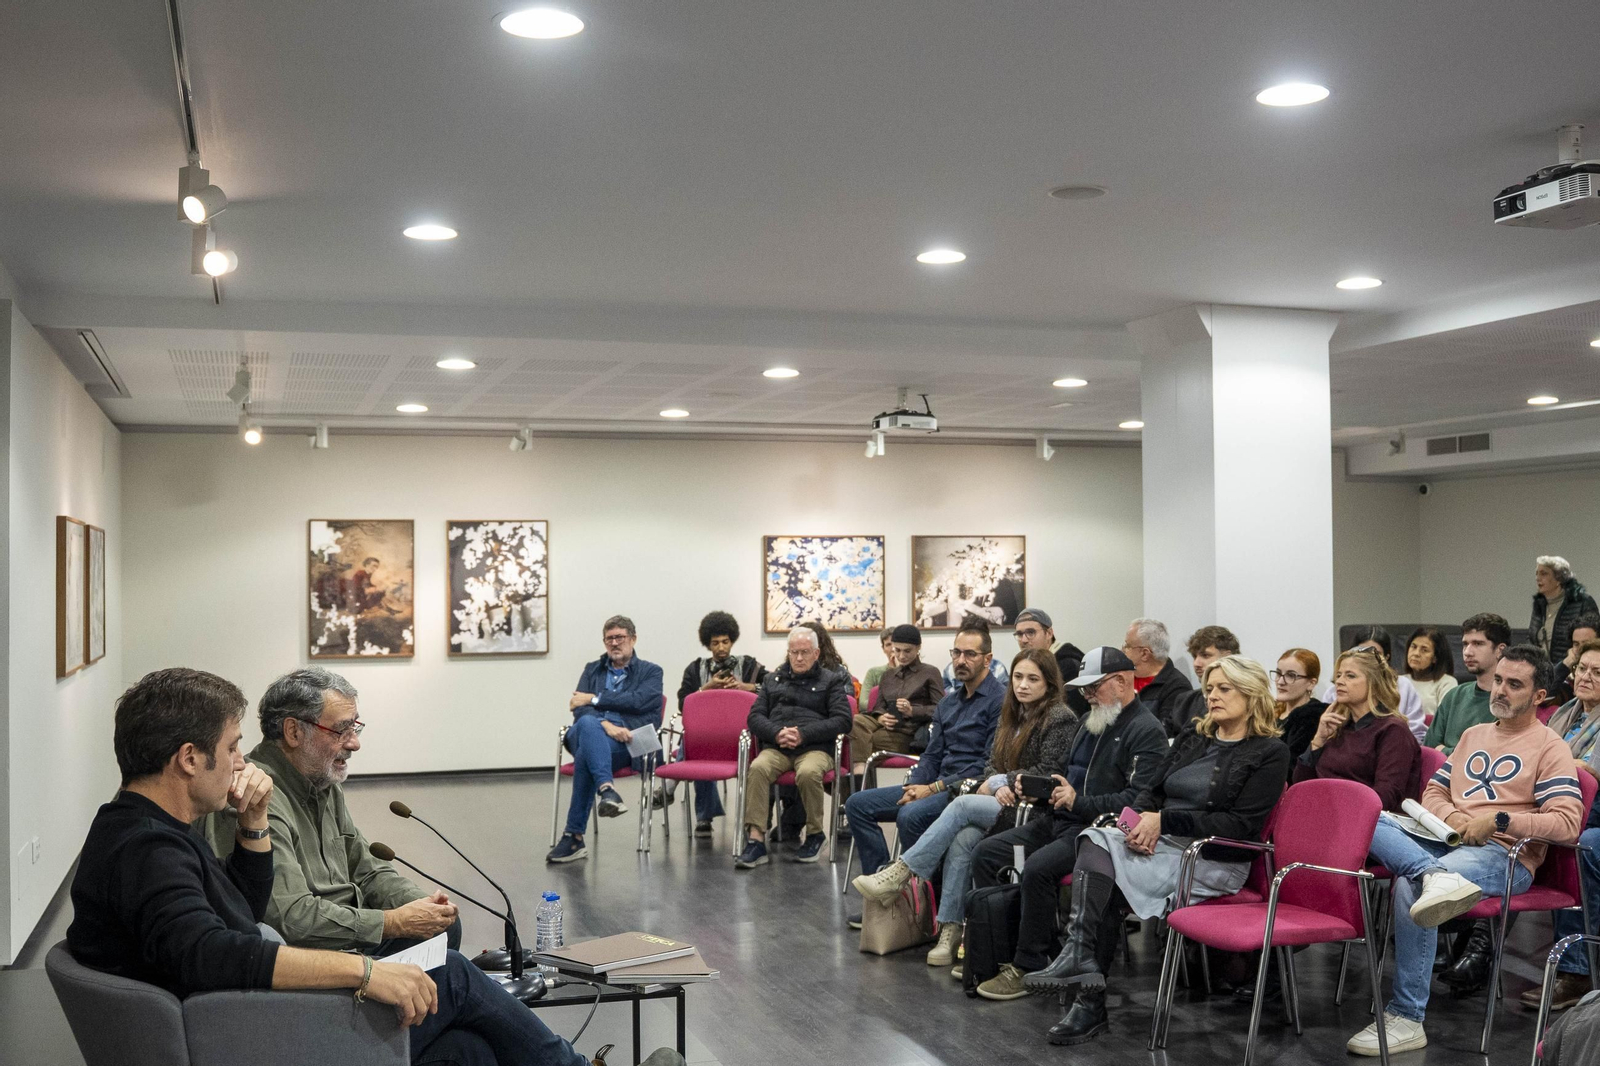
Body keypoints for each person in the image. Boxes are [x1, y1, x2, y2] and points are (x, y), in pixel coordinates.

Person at [67, 668, 681, 1066]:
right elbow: (215, 954)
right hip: (246, 1032)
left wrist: (252, 826)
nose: (238, 762)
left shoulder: (146, 830)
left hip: (238, 1015)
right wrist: (366, 970)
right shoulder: (147, 851)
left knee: (467, 1050)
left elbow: (244, 911)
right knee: (459, 980)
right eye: (230, 749)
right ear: (188, 758)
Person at [1024, 655, 1290, 1046]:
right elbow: (1152, 790)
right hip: (1160, 841)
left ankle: (1088, 999)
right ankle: (1080, 957)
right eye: (1210, 688)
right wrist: (1136, 825)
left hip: (1211, 856)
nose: (1212, 696)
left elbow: (1239, 827)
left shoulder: (1269, 752)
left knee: (1106, 881)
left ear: (1251, 694)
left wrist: (1163, 822)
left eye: (1223, 689)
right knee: (1097, 836)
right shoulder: (1193, 736)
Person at [1347, 645, 1584, 1056]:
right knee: (1364, 816)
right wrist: (1455, 821)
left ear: (1539, 696)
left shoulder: (1550, 746)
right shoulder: (1474, 734)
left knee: (1410, 884)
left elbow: (1567, 823)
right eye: (1499, 681)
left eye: (1515, 685)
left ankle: (1407, 1017)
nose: (1501, 691)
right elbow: (1435, 789)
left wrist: (1499, 821)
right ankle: (1433, 873)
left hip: (1505, 854)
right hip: (1447, 839)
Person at [202, 668, 461, 954]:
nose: (354, 743)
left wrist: (423, 904)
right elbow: (291, 919)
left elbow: (368, 871)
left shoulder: (323, 781)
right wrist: (392, 922)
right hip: (314, 955)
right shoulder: (254, 794)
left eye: (356, 727)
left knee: (445, 927)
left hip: (349, 936)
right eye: (341, 730)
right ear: (294, 731)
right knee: (453, 975)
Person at [852, 649, 1078, 969]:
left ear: (1049, 683)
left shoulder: (1060, 717)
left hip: (1036, 811)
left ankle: (902, 873)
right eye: (1017, 677)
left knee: (960, 805)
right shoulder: (1011, 713)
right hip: (1002, 802)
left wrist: (1003, 781)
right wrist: (997, 782)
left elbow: (1048, 771)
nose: (1023, 685)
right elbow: (990, 766)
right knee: (962, 841)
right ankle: (951, 930)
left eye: (1032, 679)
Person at [969, 646, 1168, 1002]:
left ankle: (1027, 963)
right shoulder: (1091, 722)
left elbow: (1137, 802)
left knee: (1039, 868)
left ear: (1122, 682)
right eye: (1084, 689)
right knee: (986, 852)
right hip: (1060, 819)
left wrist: (1078, 801)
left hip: (1095, 833)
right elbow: (1061, 771)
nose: (1087, 695)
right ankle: (1008, 948)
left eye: (1094, 687)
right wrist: (1039, 788)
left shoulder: (1145, 731)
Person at [845, 618, 1004, 882]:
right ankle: (886, 889)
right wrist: (915, 787)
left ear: (987, 659)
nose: (961, 660)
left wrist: (932, 788)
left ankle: (920, 896)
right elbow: (931, 754)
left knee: (910, 816)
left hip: (964, 788)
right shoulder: (949, 703)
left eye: (970, 654)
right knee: (857, 805)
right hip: (933, 784)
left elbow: (987, 764)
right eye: (957, 653)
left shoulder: (999, 701)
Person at [547, 615, 665, 864]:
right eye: (609, 639)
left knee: (584, 755)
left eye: (620, 637)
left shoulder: (652, 672)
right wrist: (606, 724)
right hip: (601, 733)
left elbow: (640, 701)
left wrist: (595, 699)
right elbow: (578, 709)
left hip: (630, 741)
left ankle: (574, 838)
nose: (614, 643)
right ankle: (607, 790)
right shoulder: (592, 669)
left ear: (633, 639)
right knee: (588, 723)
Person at [735, 627, 853, 868]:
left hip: (815, 748)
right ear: (788, 653)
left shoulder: (830, 681)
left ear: (816, 653)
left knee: (808, 772)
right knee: (757, 768)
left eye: (805, 652)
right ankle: (756, 840)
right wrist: (776, 733)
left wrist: (803, 734)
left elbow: (843, 720)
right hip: (778, 747)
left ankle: (815, 834)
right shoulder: (772, 680)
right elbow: (755, 717)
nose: (799, 658)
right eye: (794, 652)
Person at [1533, 638, 1600, 1011]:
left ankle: (1576, 971)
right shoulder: (1565, 713)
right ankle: (1480, 945)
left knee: (1580, 844)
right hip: (1566, 802)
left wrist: (1555, 766)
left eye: (1597, 672)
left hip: (1593, 811)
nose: (1585, 677)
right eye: (1582, 669)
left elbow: (1590, 772)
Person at [658, 611, 767, 835]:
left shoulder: (749, 666)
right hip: (707, 736)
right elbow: (682, 703)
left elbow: (775, 685)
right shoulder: (695, 669)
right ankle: (703, 819)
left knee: (696, 742)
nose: (721, 648)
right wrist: (707, 688)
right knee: (698, 740)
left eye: (725, 642)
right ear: (708, 645)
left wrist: (748, 687)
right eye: (715, 643)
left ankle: (672, 786)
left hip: (743, 736)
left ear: (732, 641)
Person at [1292, 648, 1421, 812]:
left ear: (1374, 684)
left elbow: (1385, 797)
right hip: (1325, 814)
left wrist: (1332, 810)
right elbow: (1301, 784)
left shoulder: (1393, 730)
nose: (1339, 681)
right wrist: (1318, 739)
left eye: (1350, 676)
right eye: (1338, 675)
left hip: (1367, 823)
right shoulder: (1338, 726)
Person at [848, 623, 943, 765]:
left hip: (911, 732)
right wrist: (881, 717)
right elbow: (878, 706)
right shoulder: (888, 675)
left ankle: (859, 774)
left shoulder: (930, 672)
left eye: (907, 651)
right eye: (897, 650)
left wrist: (913, 711)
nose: (901, 656)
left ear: (918, 648)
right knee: (855, 721)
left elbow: (942, 709)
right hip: (885, 726)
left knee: (864, 740)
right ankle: (860, 770)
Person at [1424, 613, 1509, 755]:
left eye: (1478, 644)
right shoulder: (1454, 696)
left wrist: (1444, 750)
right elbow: (1429, 749)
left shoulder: (1508, 700)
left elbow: (1486, 756)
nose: (1467, 652)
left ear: (1500, 650)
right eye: (1465, 644)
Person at [1323, 626, 1427, 742]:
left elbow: (1417, 735)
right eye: (1361, 651)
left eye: (1374, 655)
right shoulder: (1335, 691)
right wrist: (1318, 741)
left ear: (1386, 658)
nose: (1366, 659)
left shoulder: (1403, 688)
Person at [1123, 617, 1194, 739]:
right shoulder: (1122, 679)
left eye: (1127, 646)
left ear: (1144, 654)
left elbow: (1162, 733)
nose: (1122, 650)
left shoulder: (1177, 687)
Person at [1168, 625, 1241, 736]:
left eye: (1205, 655)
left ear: (1228, 657)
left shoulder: (1243, 700)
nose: (1196, 663)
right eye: (1194, 656)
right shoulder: (1184, 701)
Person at [1013, 607, 1086, 711]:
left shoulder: (1069, 665)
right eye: (1019, 634)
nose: (1024, 640)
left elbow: (1073, 713)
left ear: (1049, 633)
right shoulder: (1024, 664)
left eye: (1030, 633)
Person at [1531, 555, 1599, 664]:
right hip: (1543, 673)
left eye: (1543, 573)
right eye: (1537, 573)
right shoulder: (1539, 604)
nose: (1537, 578)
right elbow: (1531, 639)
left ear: (1558, 579)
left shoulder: (1582, 602)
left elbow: (1593, 641)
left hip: (1571, 671)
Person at [1273, 648, 1326, 770]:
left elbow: (1293, 766)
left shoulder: (1313, 716)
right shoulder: (1270, 712)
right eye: (1278, 673)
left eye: (1291, 675)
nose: (1280, 681)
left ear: (1311, 683)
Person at [1402, 626, 1458, 721]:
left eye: (1424, 650)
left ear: (1435, 658)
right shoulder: (1398, 681)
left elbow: (1444, 719)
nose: (1416, 653)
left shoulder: (1446, 683)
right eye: (1413, 646)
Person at [1551, 614, 1600, 706]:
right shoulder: (1569, 674)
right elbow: (1544, 695)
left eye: (1586, 643)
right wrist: (1566, 664)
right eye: (1576, 644)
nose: (1580, 649)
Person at [860, 629, 897, 701]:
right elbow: (863, 703)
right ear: (883, 649)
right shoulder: (873, 673)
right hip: (879, 712)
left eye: (895, 644)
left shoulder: (914, 673)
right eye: (888, 645)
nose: (893, 649)